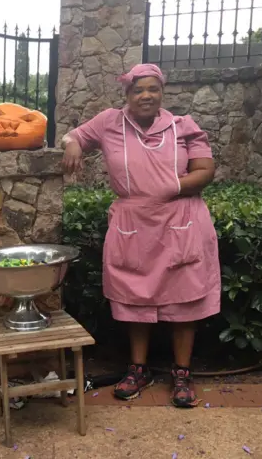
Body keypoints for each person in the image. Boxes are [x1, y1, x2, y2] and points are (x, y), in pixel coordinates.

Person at [61, 63, 220, 408]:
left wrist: (173, 187)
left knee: (185, 297)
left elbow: (206, 170)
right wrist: (71, 143)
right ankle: (138, 369)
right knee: (135, 297)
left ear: (162, 92)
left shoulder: (183, 127)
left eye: (153, 89)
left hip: (181, 221)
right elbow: (74, 136)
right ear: (127, 95)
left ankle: (182, 373)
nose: (146, 95)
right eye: (138, 90)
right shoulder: (109, 123)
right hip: (133, 225)